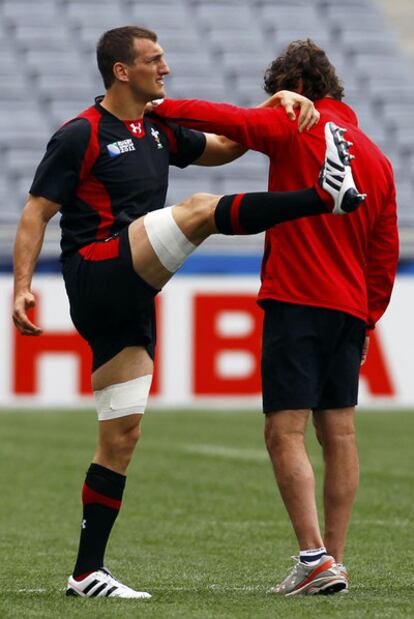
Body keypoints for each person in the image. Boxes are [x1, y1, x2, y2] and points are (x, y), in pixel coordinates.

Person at [12, 27, 363, 599]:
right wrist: (22, 287)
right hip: (97, 272)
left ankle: (85, 573)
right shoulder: (80, 134)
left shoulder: (157, 130)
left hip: (130, 299)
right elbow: (35, 213)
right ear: (122, 71)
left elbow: (227, 148)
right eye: (154, 60)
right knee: (199, 211)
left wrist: (272, 107)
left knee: (122, 436)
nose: (166, 69)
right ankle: (325, 199)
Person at [151, 39, 399, 596]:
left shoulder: (297, 124)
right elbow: (383, 253)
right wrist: (368, 320)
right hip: (348, 309)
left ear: (296, 92)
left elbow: (228, 121)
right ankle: (333, 559)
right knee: (340, 434)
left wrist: (157, 108)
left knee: (282, 431)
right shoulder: (379, 159)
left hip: (297, 298)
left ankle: (313, 560)